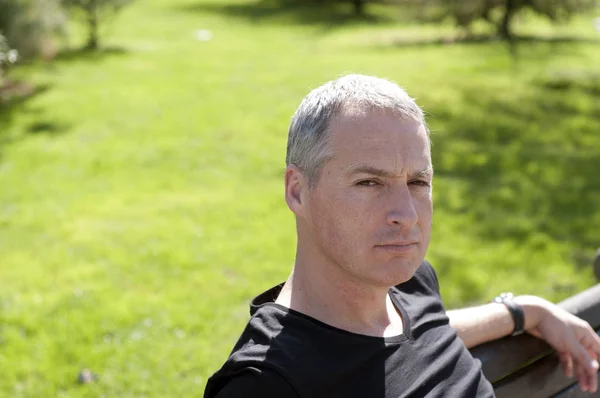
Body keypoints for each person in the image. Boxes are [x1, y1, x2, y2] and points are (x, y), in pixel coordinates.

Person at [204, 74, 600, 397]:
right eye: (369, 182)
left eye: (417, 181)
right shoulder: (267, 384)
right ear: (297, 191)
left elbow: (414, 339)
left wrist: (524, 311)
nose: (407, 216)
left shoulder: (410, 285)